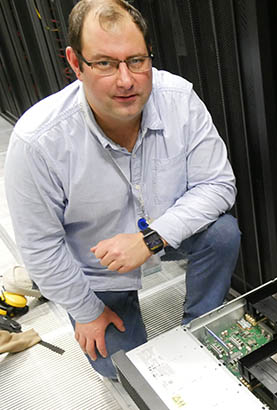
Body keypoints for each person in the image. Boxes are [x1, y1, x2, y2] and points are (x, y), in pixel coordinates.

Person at [4, 0, 240, 380]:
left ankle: (198, 327)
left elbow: (218, 184)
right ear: (75, 63)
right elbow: (40, 246)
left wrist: (149, 239)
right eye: (105, 63)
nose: (126, 79)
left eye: (136, 60)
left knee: (222, 232)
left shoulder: (179, 99)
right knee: (122, 371)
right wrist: (86, 312)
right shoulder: (38, 141)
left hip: (159, 232)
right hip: (97, 266)